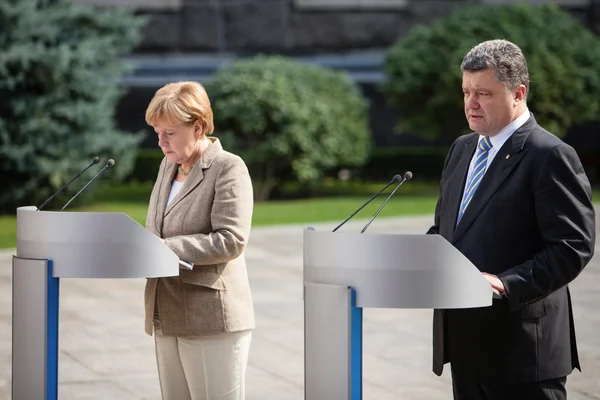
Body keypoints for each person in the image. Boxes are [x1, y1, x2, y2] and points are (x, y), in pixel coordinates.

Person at [427, 39, 596, 400]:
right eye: (466, 91)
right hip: (466, 348)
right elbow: (446, 230)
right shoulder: (462, 149)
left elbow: (573, 247)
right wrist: (418, 258)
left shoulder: (549, 155)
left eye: (483, 94)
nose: (471, 104)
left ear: (518, 93)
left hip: (523, 354)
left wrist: (506, 284)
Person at [143, 81, 254, 400]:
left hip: (211, 318)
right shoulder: (168, 165)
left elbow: (231, 240)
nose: (161, 143)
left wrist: (162, 250)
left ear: (199, 126)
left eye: (170, 133)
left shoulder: (228, 168)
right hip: (165, 312)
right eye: (157, 133)